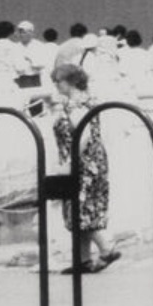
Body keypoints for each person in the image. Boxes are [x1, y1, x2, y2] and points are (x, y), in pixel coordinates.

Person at [49, 63, 117, 274]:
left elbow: (83, 135)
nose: (56, 86)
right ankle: (83, 259)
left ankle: (106, 248)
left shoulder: (76, 105)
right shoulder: (84, 100)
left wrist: (72, 161)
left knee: (80, 209)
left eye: (58, 81)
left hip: (84, 163)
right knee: (81, 208)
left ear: (69, 81)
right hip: (92, 161)